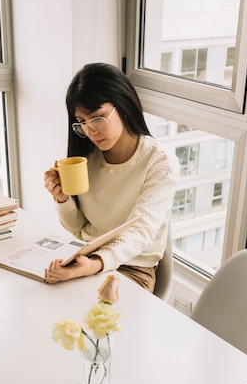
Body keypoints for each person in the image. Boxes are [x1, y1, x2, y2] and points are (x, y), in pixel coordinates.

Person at [43, 62, 179, 292]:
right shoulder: (86, 159)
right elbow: (78, 228)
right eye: (82, 122)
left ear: (123, 104)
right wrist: (62, 199)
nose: (90, 131)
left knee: (83, 319)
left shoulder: (159, 162)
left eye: (97, 118)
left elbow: (142, 232)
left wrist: (95, 264)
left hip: (131, 269)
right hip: (85, 258)